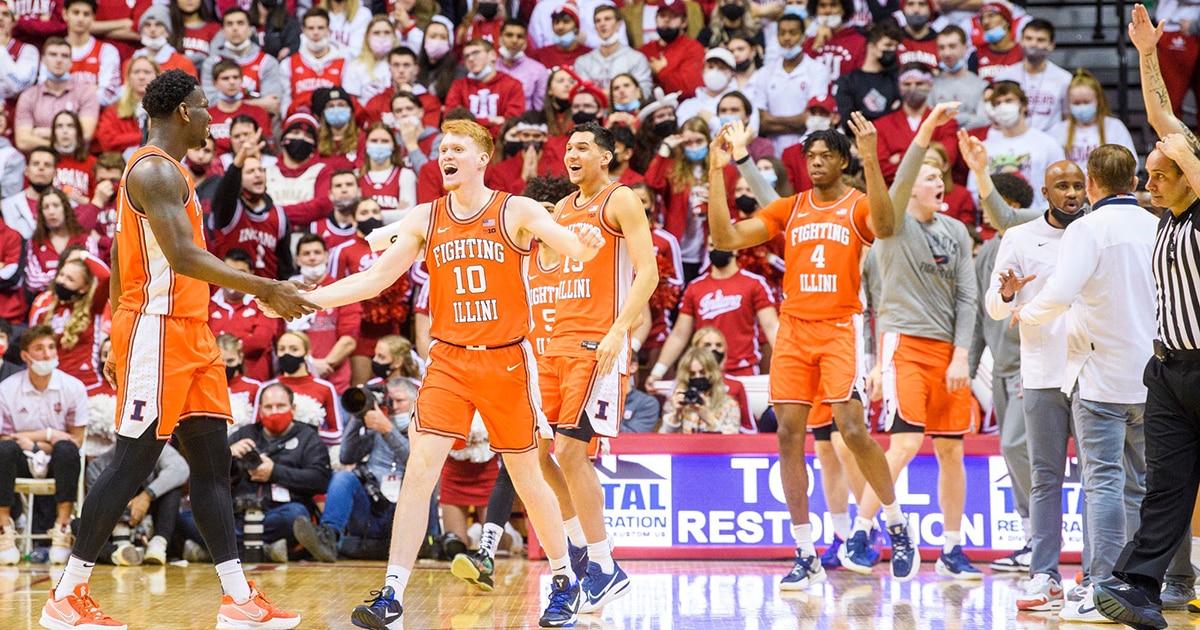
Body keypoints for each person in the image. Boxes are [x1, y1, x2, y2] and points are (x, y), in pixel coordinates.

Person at [276, 118, 605, 628]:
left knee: (527, 475)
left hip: (505, 359)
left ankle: (563, 580)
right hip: (449, 359)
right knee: (419, 471)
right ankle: (392, 593)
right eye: (442, 149)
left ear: (482, 158)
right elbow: (374, 279)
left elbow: (572, 248)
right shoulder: (426, 217)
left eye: (457, 149)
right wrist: (306, 299)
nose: (445, 155)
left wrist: (584, 239)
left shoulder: (514, 209)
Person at [39, 69, 314, 630]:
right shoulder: (155, 171)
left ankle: (238, 599)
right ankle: (67, 594)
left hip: (190, 330)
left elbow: (119, 257)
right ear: (184, 112)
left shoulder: (170, 171)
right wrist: (265, 287)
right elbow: (184, 257)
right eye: (206, 106)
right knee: (132, 462)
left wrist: (114, 326)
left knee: (213, 465)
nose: (212, 116)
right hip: (158, 331)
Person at [707, 117, 920, 586]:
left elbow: (886, 226)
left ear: (843, 162)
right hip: (794, 330)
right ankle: (804, 551)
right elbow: (725, 239)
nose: (817, 163)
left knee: (852, 428)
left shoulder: (857, 204)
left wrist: (871, 155)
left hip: (840, 327)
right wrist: (715, 172)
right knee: (788, 434)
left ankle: (896, 522)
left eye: (826, 156)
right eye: (811, 157)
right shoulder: (791, 207)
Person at [1009, 144, 1156, 622]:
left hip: (1099, 377)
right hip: (1152, 377)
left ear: (1092, 184)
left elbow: (1058, 294)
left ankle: (1102, 586)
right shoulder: (1157, 225)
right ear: (1134, 182)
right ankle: (1140, 583)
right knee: (1141, 485)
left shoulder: (1087, 229)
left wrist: (1027, 312)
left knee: (1104, 483)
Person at [854, 103, 982, 580]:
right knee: (905, 444)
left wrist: (962, 354)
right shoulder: (892, 226)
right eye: (929, 177)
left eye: (940, 177)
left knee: (951, 450)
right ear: (911, 187)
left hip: (948, 354)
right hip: (904, 346)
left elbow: (968, 297)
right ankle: (861, 532)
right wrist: (927, 130)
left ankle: (951, 548)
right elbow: (870, 307)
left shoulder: (956, 231)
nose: (939, 183)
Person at [533, 122, 656, 614]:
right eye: (568, 148)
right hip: (555, 345)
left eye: (583, 147)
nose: (572, 154)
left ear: (605, 157)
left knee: (570, 451)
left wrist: (618, 330)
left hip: (596, 344)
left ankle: (603, 565)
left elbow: (648, 272)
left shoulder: (620, 199)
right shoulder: (564, 208)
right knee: (535, 453)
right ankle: (584, 548)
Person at [182, 382, 332, 563]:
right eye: (268, 407)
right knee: (188, 517)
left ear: (292, 408)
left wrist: (275, 472)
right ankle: (265, 552)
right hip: (236, 514)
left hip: (277, 514)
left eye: (281, 406)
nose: (274, 412)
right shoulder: (245, 434)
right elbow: (208, 473)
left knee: (297, 515)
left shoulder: (308, 437)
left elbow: (320, 480)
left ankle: (218, 553)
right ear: (260, 410)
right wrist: (227, 454)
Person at [294, 377, 416, 562]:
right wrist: (359, 414)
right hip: (372, 509)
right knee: (343, 477)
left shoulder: (423, 432)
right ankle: (329, 537)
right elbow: (346, 456)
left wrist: (388, 430)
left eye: (400, 401)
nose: (395, 406)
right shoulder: (377, 430)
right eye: (391, 401)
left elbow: (415, 461)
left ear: (415, 402)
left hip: (404, 513)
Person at [0, 325, 87, 565]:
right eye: (39, 348)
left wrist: (37, 440)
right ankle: (3, 527)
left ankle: (62, 526)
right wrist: (51, 436)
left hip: (58, 461)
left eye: (51, 347)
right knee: (3, 451)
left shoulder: (73, 387)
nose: (48, 354)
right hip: (21, 459)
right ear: (25, 356)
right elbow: (5, 438)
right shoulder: (7, 389)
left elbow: (76, 440)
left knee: (67, 450)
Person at [646, 239, 778, 381]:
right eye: (711, 245)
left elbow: (771, 326)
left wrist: (785, 363)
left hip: (744, 370)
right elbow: (679, 334)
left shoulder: (754, 283)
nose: (717, 248)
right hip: (705, 373)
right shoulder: (695, 287)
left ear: (736, 248)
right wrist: (657, 372)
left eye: (722, 243)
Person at [968, 81, 1066, 209]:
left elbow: (1061, 185)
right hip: (996, 217)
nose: (1003, 106)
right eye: (997, 103)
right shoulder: (985, 148)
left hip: (1037, 215)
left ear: (1024, 105)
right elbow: (974, 190)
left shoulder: (1047, 144)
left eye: (1009, 101)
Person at [747, 11, 831, 156]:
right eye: (782, 33)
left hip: (806, 148)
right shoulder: (764, 72)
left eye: (793, 33)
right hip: (771, 151)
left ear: (804, 37)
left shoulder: (818, 70)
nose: (786, 38)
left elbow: (811, 119)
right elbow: (761, 123)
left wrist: (772, 120)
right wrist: (798, 121)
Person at [29, 249, 109, 391]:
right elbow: (31, 345)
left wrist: (83, 256)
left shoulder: (94, 304)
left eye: (70, 279)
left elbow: (106, 276)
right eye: (61, 275)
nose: (62, 281)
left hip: (88, 384)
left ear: (84, 288)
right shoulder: (42, 303)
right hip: (54, 385)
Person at [14, 37, 99, 153]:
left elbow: (85, 134)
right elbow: (22, 141)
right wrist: (60, 144)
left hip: (76, 159)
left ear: (71, 62)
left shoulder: (86, 93)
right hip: (42, 159)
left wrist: (40, 132)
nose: (59, 60)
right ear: (43, 60)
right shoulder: (28, 96)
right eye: (53, 55)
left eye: (64, 56)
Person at [1048, 69, 1139, 172]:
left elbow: (1131, 165)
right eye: (1076, 103)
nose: (1082, 107)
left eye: (1086, 102)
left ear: (1098, 100)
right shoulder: (1057, 131)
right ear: (1068, 103)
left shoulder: (1115, 128)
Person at [995, 19, 1071, 132]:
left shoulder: (1064, 79)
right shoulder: (1005, 76)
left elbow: (1067, 118)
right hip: (1015, 138)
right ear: (1020, 41)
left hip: (1051, 140)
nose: (1033, 44)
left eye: (1040, 40)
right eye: (1028, 38)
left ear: (1051, 45)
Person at [445, 38, 525, 139]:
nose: (470, 59)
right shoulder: (458, 86)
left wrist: (475, 131)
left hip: (500, 143)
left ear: (493, 55)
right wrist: (490, 121)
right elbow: (451, 121)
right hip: (465, 142)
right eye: (466, 56)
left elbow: (512, 123)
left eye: (476, 53)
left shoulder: (513, 85)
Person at [575, 6, 653, 98]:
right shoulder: (583, 62)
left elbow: (644, 92)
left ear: (618, 24)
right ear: (595, 27)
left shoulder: (636, 58)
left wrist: (602, 94)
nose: (602, 24)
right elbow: (582, 95)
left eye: (607, 19)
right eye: (598, 21)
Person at [659, 346, 741, 434]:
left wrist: (708, 418)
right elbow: (663, 438)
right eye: (692, 374)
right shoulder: (675, 401)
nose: (697, 377)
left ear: (713, 373)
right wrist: (675, 414)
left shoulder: (729, 405)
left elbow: (731, 438)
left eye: (702, 373)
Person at [95, 55, 160, 159]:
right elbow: (107, 141)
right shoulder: (113, 111)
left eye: (147, 72)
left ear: (157, 76)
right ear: (128, 77)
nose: (141, 77)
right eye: (136, 72)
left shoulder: (166, 111)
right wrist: (144, 135)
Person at [638, 0, 704, 98]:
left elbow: (691, 88)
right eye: (662, 15)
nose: (666, 20)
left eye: (673, 16)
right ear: (656, 19)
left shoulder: (693, 48)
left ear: (684, 22)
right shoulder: (644, 50)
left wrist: (661, 71)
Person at [930, 25, 990, 130]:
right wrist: (968, 117)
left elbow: (982, 120)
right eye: (941, 48)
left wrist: (945, 122)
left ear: (965, 48)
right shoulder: (930, 85)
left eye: (952, 46)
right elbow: (929, 121)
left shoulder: (981, 85)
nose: (947, 53)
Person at [63, 0, 119, 107]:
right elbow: (47, 91)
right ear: (65, 14)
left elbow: (108, 95)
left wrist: (67, 95)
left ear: (93, 17)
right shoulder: (55, 50)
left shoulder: (107, 51)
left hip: (97, 114)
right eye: (76, 12)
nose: (81, 19)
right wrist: (92, 89)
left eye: (86, 14)